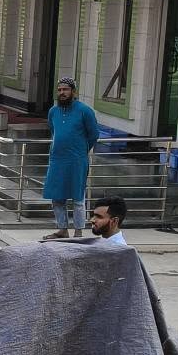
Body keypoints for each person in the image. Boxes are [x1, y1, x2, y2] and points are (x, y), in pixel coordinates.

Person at [42, 79, 100, 239]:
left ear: (73, 91)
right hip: (57, 160)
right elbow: (53, 131)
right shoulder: (53, 111)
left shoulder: (85, 111)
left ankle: (78, 232)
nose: (62, 93)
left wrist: (80, 150)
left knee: (78, 198)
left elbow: (94, 134)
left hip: (77, 160)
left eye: (65, 89)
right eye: (59, 89)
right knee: (57, 197)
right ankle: (62, 229)